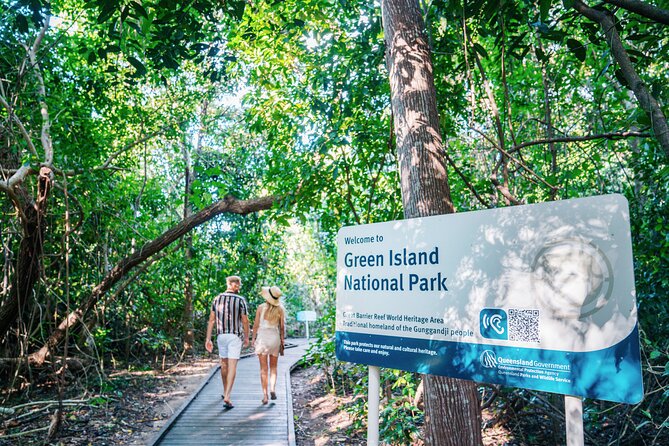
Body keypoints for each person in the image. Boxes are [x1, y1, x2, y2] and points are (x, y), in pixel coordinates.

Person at [205, 275, 249, 409]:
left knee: (223, 364)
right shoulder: (240, 300)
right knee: (232, 365)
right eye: (238, 285)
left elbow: (211, 320)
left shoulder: (217, 299)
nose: (239, 287)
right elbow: (245, 320)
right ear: (233, 285)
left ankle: (225, 392)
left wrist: (208, 338)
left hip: (221, 335)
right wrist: (247, 336)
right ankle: (228, 396)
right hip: (234, 336)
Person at [251, 285, 286, 404]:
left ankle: (265, 395)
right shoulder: (280, 309)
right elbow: (282, 327)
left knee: (263, 369)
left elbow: (256, 325)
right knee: (274, 367)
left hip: (263, 339)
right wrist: (282, 341)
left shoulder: (261, 307)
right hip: (274, 338)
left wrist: (253, 338)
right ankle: (272, 389)